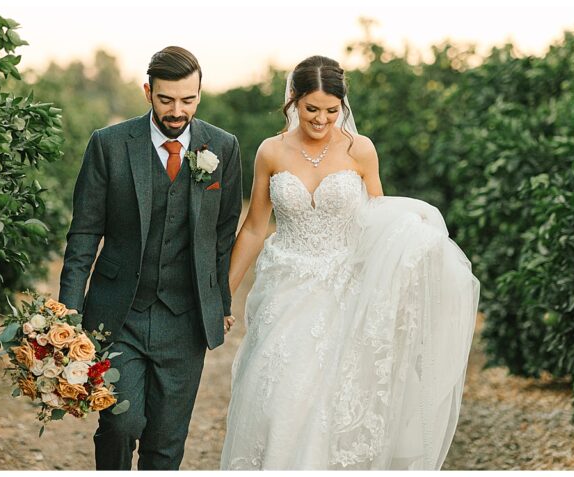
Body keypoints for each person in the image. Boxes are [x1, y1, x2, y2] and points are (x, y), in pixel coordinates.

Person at [219, 56, 479, 470]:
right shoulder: (270, 152)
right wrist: (223, 296)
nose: (321, 120)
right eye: (311, 109)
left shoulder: (361, 150)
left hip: (343, 291)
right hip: (285, 291)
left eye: (331, 110)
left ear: (343, 106)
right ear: (292, 101)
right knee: (277, 396)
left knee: (331, 401)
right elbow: (253, 228)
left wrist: (416, 243)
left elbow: (377, 219)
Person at [58, 46, 243, 470]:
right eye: (166, 99)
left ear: (200, 93)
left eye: (188, 99)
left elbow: (222, 234)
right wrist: (67, 312)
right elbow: (85, 232)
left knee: (166, 443)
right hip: (119, 314)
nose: (178, 110)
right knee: (121, 426)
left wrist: (224, 302)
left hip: (186, 319)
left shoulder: (224, 148)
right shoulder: (108, 144)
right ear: (147, 92)